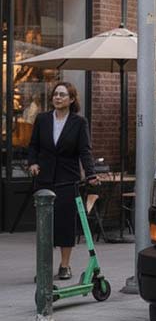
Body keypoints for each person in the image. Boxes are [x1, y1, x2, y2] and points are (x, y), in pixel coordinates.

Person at [28, 82, 99, 280]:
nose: (58, 97)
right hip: (45, 179)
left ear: (72, 99)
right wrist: (32, 162)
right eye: (55, 94)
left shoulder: (79, 122)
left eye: (63, 95)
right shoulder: (42, 120)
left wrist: (91, 174)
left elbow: (85, 150)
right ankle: (44, 267)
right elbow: (33, 145)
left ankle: (65, 265)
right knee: (45, 226)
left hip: (68, 180)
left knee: (66, 224)